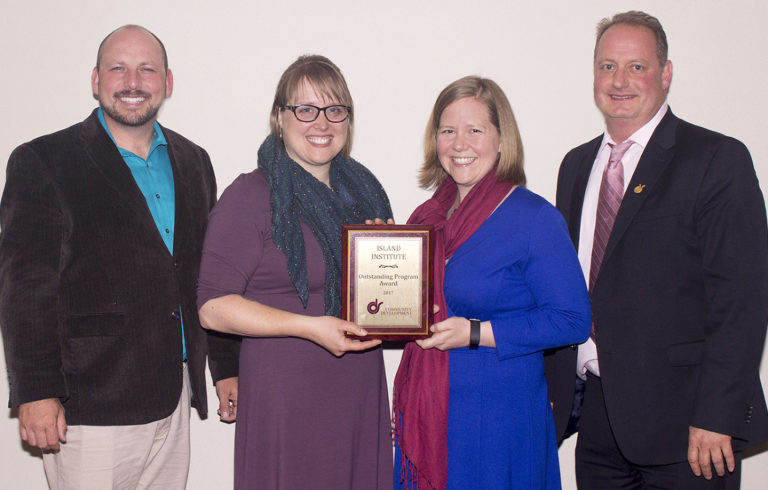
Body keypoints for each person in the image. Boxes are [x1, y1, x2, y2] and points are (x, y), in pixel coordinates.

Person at [0, 25, 239, 489]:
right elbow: (25, 288)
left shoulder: (194, 162)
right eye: (118, 68)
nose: (133, 81)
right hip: (90, 402)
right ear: (96, 80)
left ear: (167, 83)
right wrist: (36, 391)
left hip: (174, 393)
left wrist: (226, 367)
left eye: (147, 69)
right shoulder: (44, 161)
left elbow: (207, 275)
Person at [545, 10, 768, 489]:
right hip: (599, 421)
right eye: (607, 66)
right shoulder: (576, 166)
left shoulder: (715, 160)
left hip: (689, 427)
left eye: (636, 67)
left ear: (665, 74)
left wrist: (718, 414)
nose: (619, 80)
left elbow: (742, 301)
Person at [196, 54, 394, 490]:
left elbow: (384, 304)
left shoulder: (366, 194)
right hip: (287, 394)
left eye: (334, 109)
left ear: (348, 118)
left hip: (358, 388)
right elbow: (213, 308)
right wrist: (309, 328)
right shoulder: (250, 195)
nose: (321, 123)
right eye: (305, 109)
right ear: (279, 118)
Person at [392, 76, 592, 490]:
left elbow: (572, 320)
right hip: (428, 414)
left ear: (502, 140)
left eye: (475, 130)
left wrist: (477, 333)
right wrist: (376, 261)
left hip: (498, 418)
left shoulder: (534, 217)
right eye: (448, 131)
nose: (459, 143)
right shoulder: (425, 218)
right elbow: (406, 310)